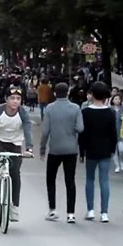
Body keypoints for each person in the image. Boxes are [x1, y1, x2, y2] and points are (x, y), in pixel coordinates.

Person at [0, 87, 34, 222]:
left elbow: (28, 131)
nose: (15, 101)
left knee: (15, 173)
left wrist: (29, 149)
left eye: (18, 99)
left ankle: (14, 207)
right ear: (6, 99)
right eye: (12, 98)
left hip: (15, 143)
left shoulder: (23, 114)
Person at [40, 82, 84, 223]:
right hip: (71, 148)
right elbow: (80, 128)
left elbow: (45, 131)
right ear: (68, 93)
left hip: (55, 149)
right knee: (70, 180)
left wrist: (42, 148)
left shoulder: (50, 109)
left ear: (54, 93)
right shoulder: (75, 108)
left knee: (51, 179)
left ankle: (52, 210)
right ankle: (70, 213)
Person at [79, 82, 117, 223]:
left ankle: (90, 210)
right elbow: (113, 133)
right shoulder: (110, 112)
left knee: (90, 179)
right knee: (104, 180)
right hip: (106, 149)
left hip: (90, 149)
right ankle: (104, 213)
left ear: (92, 94)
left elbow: (82, 134)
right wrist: (112, 149)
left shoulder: (85, 112)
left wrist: (81, 151)